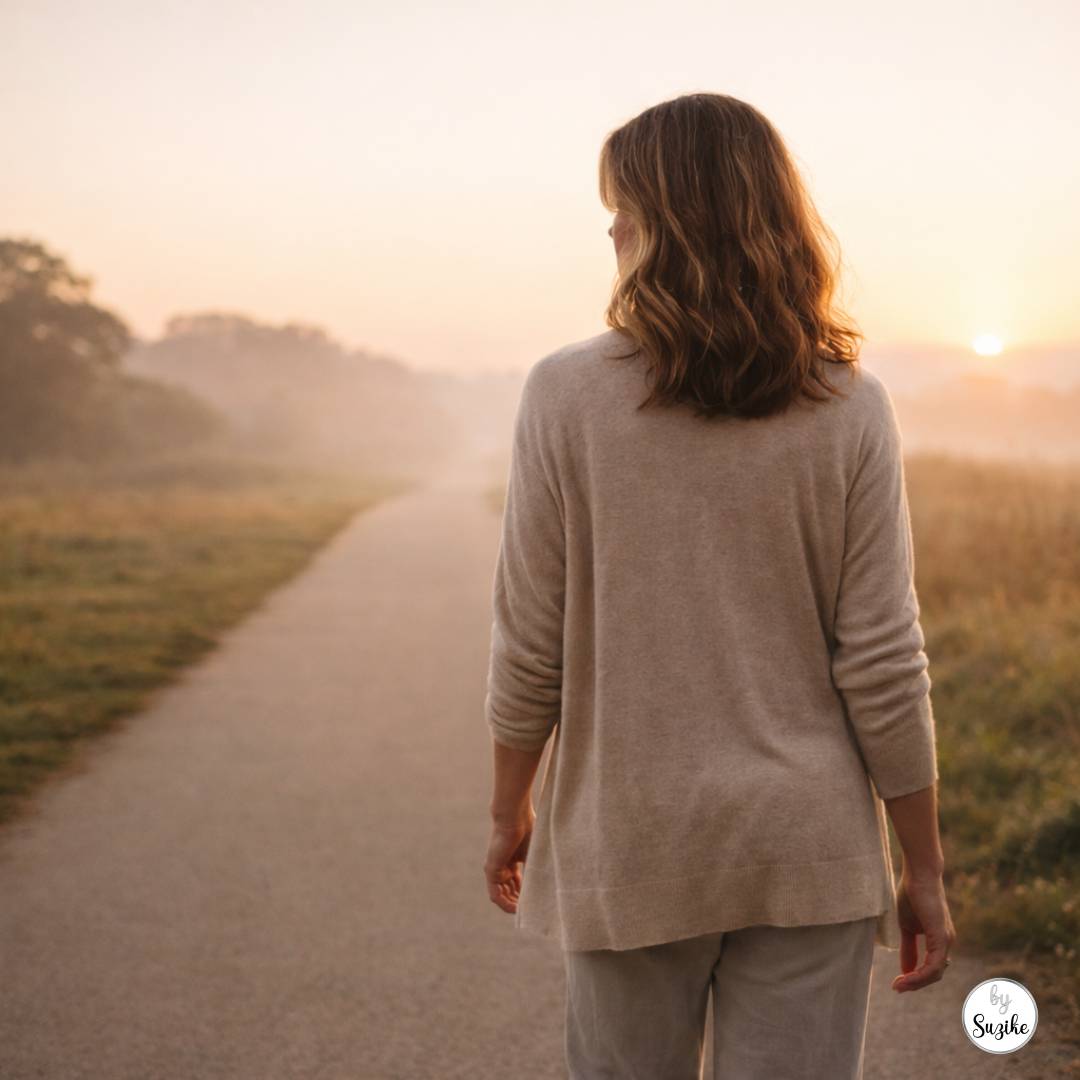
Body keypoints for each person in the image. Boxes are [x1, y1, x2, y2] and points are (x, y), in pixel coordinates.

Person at [481, 92, 957, 1080]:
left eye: (627, 205)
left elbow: (532, 644)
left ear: (668, 221)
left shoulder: (566, 395)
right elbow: (882, 658)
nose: (610, 227)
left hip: (632, 839)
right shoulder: (848, 404)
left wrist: (508, 814)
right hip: (808, 844)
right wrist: (924, 864)